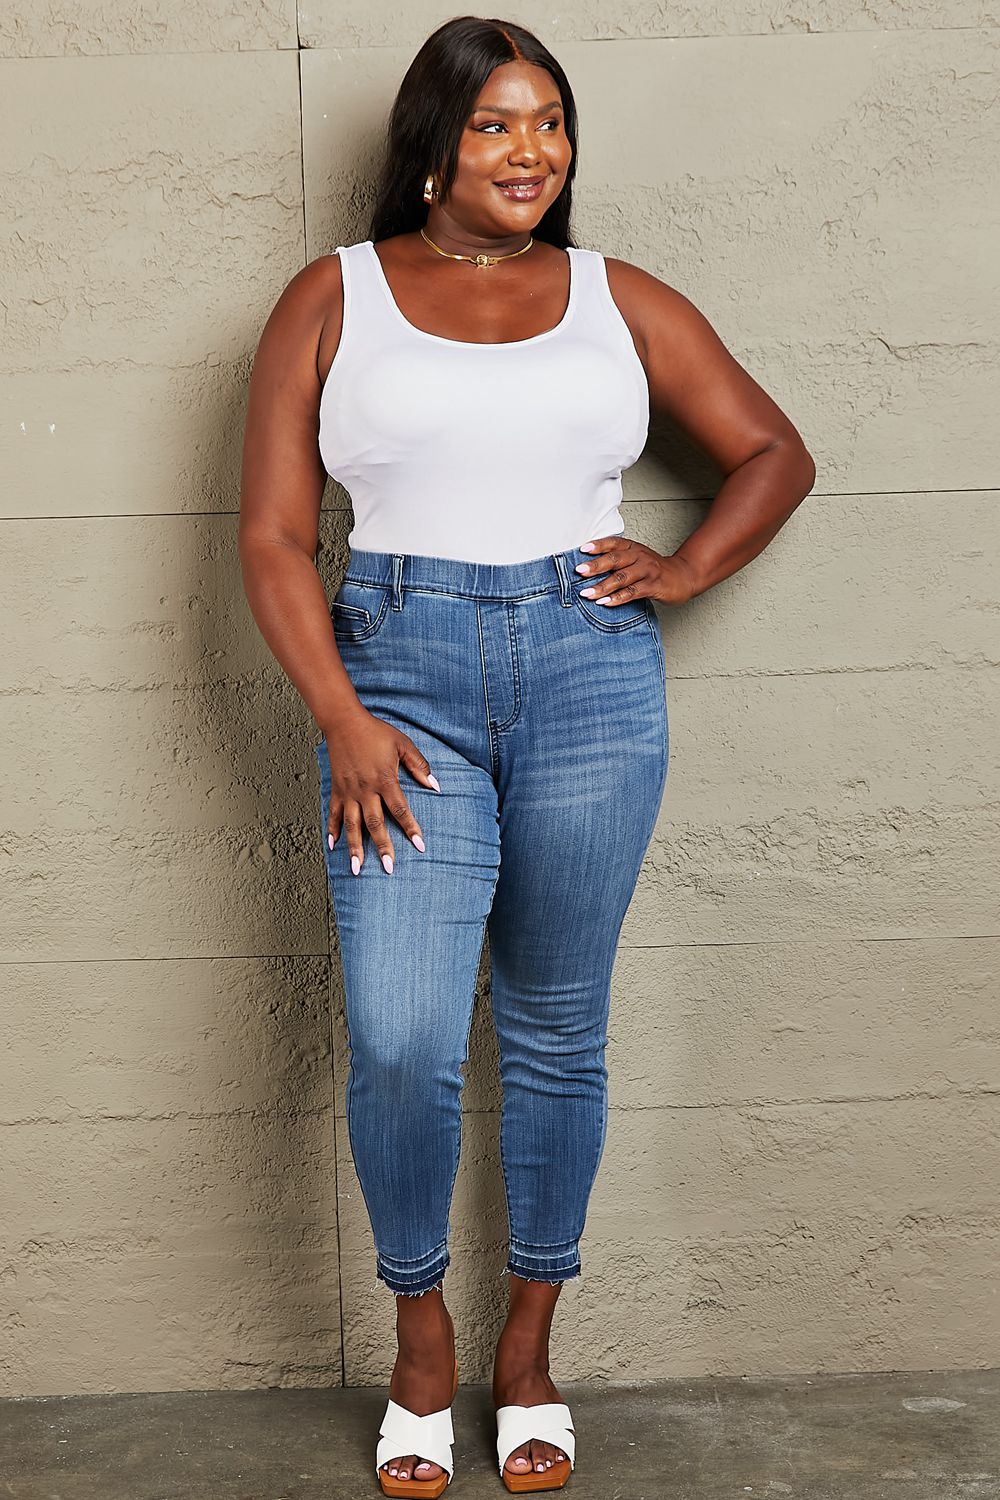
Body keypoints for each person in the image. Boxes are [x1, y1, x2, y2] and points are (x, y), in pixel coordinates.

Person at [239, 15, 815, 1496]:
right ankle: (421, 1332)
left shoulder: (619, 298)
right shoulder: (334, 295)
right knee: (406, 1036)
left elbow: (773, 451)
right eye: (497, 124)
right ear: (432, 146)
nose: (531, 152)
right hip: (397, 686)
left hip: (588, 680)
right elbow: (273, 535)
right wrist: (344, 718)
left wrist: (681, 574)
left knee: (560, 1027)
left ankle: (530, 1349)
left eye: (550, 122)